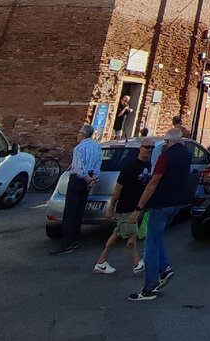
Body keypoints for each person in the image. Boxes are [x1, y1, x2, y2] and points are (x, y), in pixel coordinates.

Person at [127, 128, 192, 302]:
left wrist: (139, 208)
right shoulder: (186, 154)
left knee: (151, 245)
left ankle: (149, 288)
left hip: (160, 203)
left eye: (165, 142)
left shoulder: (165, 157)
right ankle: (164, 269)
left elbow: (153, 183)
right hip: (176, 203)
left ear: (169, 141)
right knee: (156, 237)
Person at [93, 140, 152, 275]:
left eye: (152, 147)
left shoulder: (148, 165)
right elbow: (118, 188)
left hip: (137, 206)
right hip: (126, 206)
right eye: (146, 147)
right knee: (132, 233)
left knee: (117, 233)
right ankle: (137, 263)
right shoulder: (129, 167)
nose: (149, 150)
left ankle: (101, 262)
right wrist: (111, 207)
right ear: (140, 148)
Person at [51, 123, 102, 255]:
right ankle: (75, 239)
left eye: (79, 133)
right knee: (79, 210)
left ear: (82, 135)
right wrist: (93, 178)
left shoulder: (79, 148)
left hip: (78, 180)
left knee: (70, 211)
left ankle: (67, 242)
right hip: (89, 179)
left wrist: (86, 179)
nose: (77, 136)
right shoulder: (97, 147)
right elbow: (98, 164)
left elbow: (79, 167)